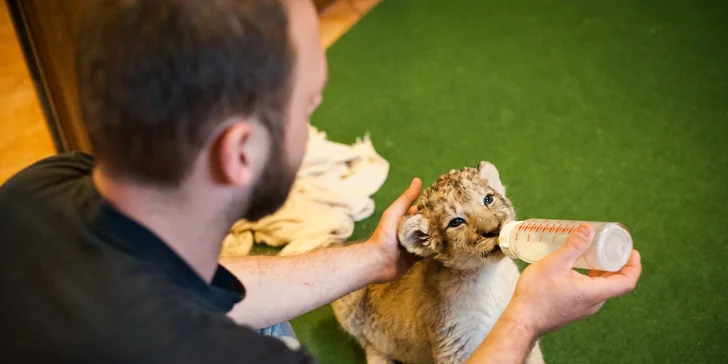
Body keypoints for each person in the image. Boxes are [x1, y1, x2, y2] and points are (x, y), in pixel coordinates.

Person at [0, 0, 641, 362]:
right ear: (239, 151)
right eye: (309, 105)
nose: (312, 130)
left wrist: (372, 260)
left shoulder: (40, 188)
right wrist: (525, 318)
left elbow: (183, 285)